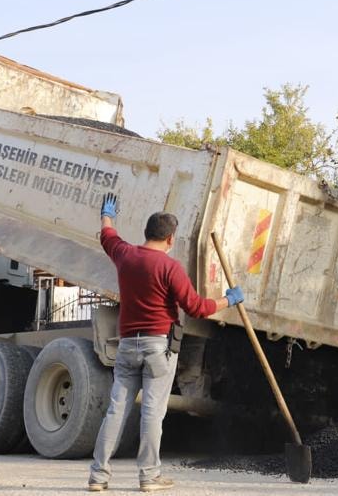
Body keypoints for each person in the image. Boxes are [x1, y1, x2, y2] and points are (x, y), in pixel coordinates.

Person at [88, 193, 244, 492]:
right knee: (151, 413)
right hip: (158, 347)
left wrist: (107, 215)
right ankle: (148, 478)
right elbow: (197, 307)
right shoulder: (170, 268)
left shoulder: (126, 255)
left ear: (147, 233)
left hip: (127, 346)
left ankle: (98, 477)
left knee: (115, 411)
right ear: (170, 239)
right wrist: (228, 299)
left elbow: (108, 236)